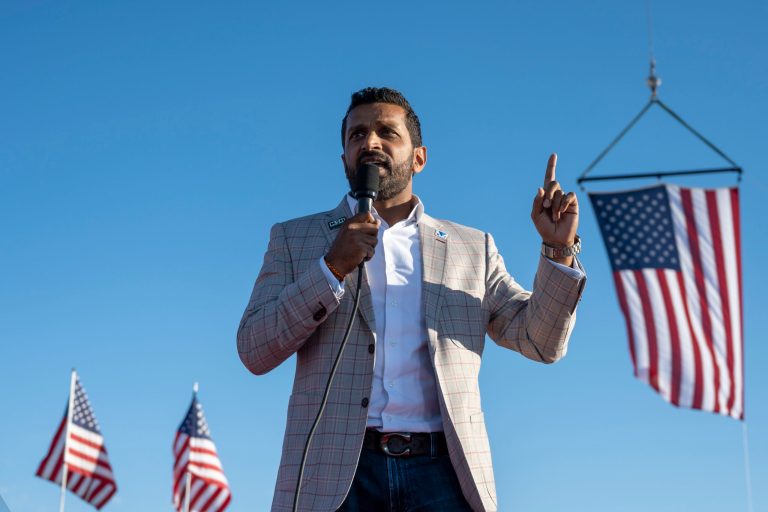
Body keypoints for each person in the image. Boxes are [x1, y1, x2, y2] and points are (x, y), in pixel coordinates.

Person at [237, 87, 585, 512]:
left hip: (444, 475)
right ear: (344, 158)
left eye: (387, 132)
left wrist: (558, 252)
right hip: (335, 478)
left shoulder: (471, 247)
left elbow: (540, 341)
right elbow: (255, 349)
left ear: (418, 157)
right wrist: (331, 268)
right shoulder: (296, 239)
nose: (370, 143)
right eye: (357, 135)